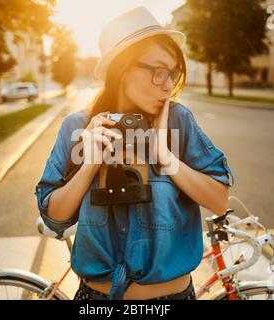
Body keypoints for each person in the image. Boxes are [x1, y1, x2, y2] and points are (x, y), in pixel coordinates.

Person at [34, 7, 234, 300]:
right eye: (158, 72)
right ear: (122, 67)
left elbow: (219, 200)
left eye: (172, 74)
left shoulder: (178, 121)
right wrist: (90, 165)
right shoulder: (79, 127)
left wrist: (166, 157)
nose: (168, 85)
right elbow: (55, 217)